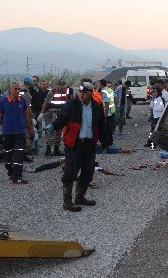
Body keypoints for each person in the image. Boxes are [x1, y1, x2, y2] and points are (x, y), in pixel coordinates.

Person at [44, 82, 108, 212]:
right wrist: (53, 125)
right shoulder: (71, 105)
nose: (80, 94)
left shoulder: (96, 107)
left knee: (88, 172)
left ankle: (80, 197)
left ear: (90, 93)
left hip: (89, 144)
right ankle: (67, 202)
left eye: (83, 92)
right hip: (74, 144)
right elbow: (62, 118)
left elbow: (101, 126)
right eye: (79, 92)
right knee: (70, 172)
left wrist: (106, 142)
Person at [0, 81, 33, 184]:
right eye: (15, 89)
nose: (17, 91)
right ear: (10, 90)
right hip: (7, 133)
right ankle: (10, 171)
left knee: (19, 155)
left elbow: (26, 115)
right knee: (8, 155)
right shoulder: (3, 102)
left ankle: (18, 176)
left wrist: (30, 128)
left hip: (20, 133)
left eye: (18, 89)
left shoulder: (22, 101)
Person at [39, 79, 68, 156]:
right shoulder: (52, 92)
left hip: (61, 114)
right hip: (52, 113)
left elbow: (66, 103)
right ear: (58, 85)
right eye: (61, 87)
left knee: (59, 131)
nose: (62, 88)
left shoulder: (65, 92)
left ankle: (56, 149)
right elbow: (45, 103)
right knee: (51, 130)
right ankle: (48, 149)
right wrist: (41, 113)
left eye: (63, 87)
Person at [20, 76, 35, 162]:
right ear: (29, 84)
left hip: (20, 116)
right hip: (26, 117)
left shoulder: (20, 92)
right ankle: (24, 154)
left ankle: (21, 154)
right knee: (29, 134)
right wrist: (32, 118)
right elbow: (28, 107)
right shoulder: (27, 93)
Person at [100, 79, 116, 148]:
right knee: (109, 127)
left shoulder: (104, 91)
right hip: (112, 111)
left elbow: (106, 102)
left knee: (106, 128)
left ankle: (108, 142)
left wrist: (105, 112)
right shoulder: (110, 90)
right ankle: (110, 141)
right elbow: (116, 98)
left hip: (107, 112)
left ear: (101, 84)